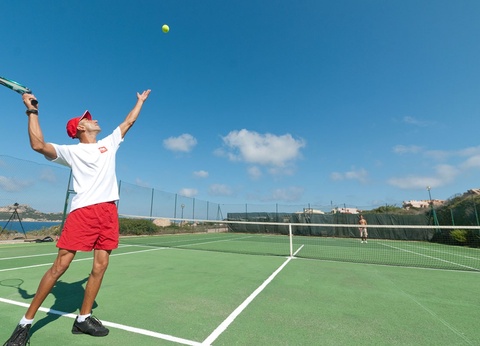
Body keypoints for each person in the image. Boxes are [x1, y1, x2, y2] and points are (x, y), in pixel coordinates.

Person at [4, 89, 151, 346]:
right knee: (60, 266)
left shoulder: (109, 143)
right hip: (83, 212)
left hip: (108, 212)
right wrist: (32, 109)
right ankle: (24, 325)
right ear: (80, 128)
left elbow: (128, 122)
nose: (93, 120)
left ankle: (83, 318)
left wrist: (139, 102)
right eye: (88, 119)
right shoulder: (70, 152)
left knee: (101, 265)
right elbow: (38, 144)